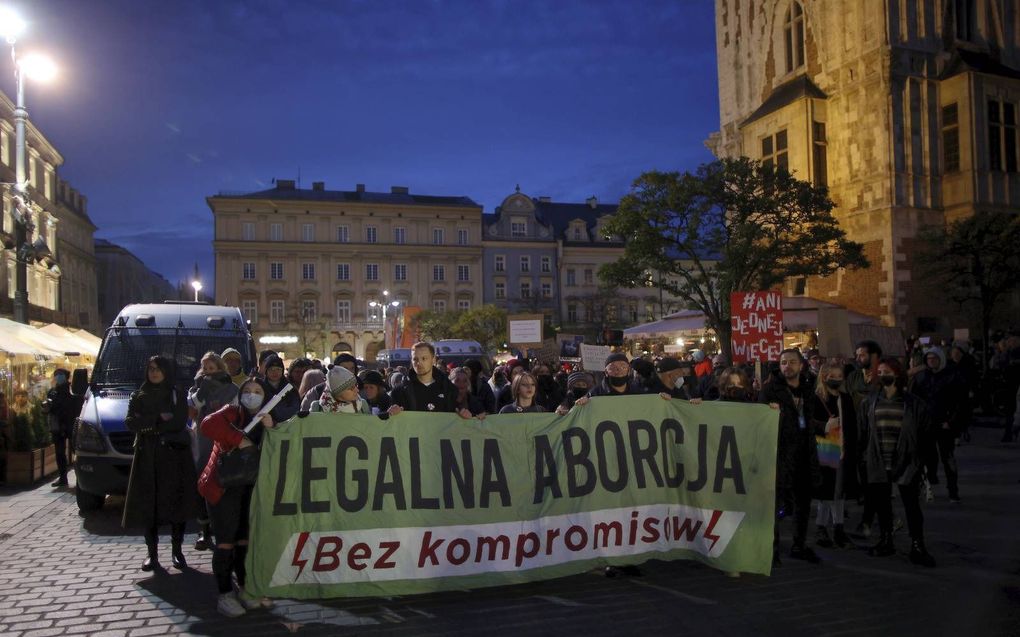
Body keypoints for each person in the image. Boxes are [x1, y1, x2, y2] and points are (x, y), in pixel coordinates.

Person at [198, 379, 276, 616]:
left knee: (244, 539)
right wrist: (239, 439)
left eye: (258, 392)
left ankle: (245, 588)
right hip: (222, 488)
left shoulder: (268, 418)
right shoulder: (231, 413)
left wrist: (272, 427)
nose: (252, 396)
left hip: (249, 488)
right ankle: (224, 594)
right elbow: (207, 425)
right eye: (247, 391)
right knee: (225, 541)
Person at [857, 357, 936, 567]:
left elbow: (926, 435)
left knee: (911, 506)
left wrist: (927, 464)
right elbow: (863, 432)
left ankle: (918, 545)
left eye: (887, 371)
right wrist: (863, 457)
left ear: (898, 374)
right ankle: (886, 540)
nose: (883, 375)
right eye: (880, 372)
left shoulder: (914, 404)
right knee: (883, 506)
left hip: (906, 461)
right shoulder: (870, 402)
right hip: (878, 460)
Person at [122, 356, 195, 571]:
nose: (153, 372)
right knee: (149, 505)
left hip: (173, 455)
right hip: (148, 455)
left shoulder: (176, 393)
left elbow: (179, 421)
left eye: (158, 369)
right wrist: (156, 420)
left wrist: (149, 423)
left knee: (175, 503)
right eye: (151, 368)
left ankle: (177, 551)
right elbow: (130, 422)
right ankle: (151, 554)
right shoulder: (139, 394)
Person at [759, 349, 821, 565]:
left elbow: (809, 418)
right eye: (784, 362)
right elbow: (761, 420)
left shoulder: (807, 389)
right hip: (781, 453)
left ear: (801, 365)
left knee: (803, 504)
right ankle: (772, 550)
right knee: (775, 505)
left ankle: (799, 544)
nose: (787, 366)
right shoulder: (770, 390)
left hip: (804, 453)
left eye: (792, 362)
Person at [187, 352, 239, 551]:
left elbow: (234, 411)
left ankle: (223, 527)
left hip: (224, 438)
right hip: (203, 438)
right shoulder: (197, 387)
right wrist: (202, 391)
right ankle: (204, 528)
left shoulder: (231, 388)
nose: (208, 372)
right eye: (205, 368)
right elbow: (193, 407)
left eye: (212, 368)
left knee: (222, 479)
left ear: (220, 368)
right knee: (203, 478)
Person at [808, 361, 858, 549]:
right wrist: (824, 426)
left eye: (839, 376)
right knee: (826, 493)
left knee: (839, 492)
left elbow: (852, 424)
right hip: (825, 451)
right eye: (833, 376)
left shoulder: (846, 398)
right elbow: (807, 423)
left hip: (844, 451)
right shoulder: (817, 398)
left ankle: (838, 527)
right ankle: (821, 527)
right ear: (824, 377)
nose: (837, 379)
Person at [909, 347, 964, 502]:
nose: (931, 361)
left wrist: (951, 421)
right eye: (929, 358)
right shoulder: (921, 377)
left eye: (934, 358)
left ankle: (953, 490)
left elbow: (959, 402)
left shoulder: (951, 377)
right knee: (926, 457)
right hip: (926, 424)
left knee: (948, 458)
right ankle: (926, 484)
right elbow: (914, 400)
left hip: (944, 424)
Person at [388, 342, 471, 418]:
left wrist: (468, 416)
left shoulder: (450, 389)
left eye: (424, 358)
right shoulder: (399, 392)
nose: (419, 363)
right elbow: (388, 424)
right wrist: (391, 414)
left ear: (433, 360)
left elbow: (462, 418)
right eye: (415, 359)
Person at [43, 368, 81, 488]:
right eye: (57, 375)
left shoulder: (72, 391)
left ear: (67, 377)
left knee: (77, 452)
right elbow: (49, 410)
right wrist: (46, 408)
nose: (58, 377)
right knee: (59, 453)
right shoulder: (52, 392)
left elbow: (76, 407)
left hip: (71, 425)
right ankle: (63, 478)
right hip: (57, 426)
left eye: (61, 375)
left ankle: (80, 478)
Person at [260, 355, 300, 422]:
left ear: (282, 371)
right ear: (266, 371)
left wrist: (276, 411)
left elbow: (295, 409)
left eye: (278, 369)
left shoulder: (291, 388)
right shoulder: (260, 388)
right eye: (271, 369)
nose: (275, 372)